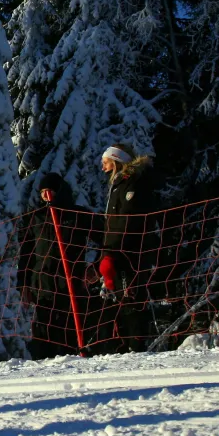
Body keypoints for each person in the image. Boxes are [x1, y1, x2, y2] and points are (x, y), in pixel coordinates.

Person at [18, 173, 97, 359]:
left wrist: (97, 267)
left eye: (50, 191)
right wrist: (23, 284)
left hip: (71, 282)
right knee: (43, 336)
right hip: (42, 284)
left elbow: (105, 239)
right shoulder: (37, 217)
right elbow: (26, 254)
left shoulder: (78, 215)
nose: (46, 196)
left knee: (70, 333)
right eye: (43, 192)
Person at [98, 144, 157, 351]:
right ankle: (123, 344)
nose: (103, 166)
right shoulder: (117, 185)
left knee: (131, 298)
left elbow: (128, 220)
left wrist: (111, 251)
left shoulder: (133, 184)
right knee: (119, 299)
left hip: (131, 250)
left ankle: (137, 345)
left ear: (116, 162)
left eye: (106, 162)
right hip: (117, 249)